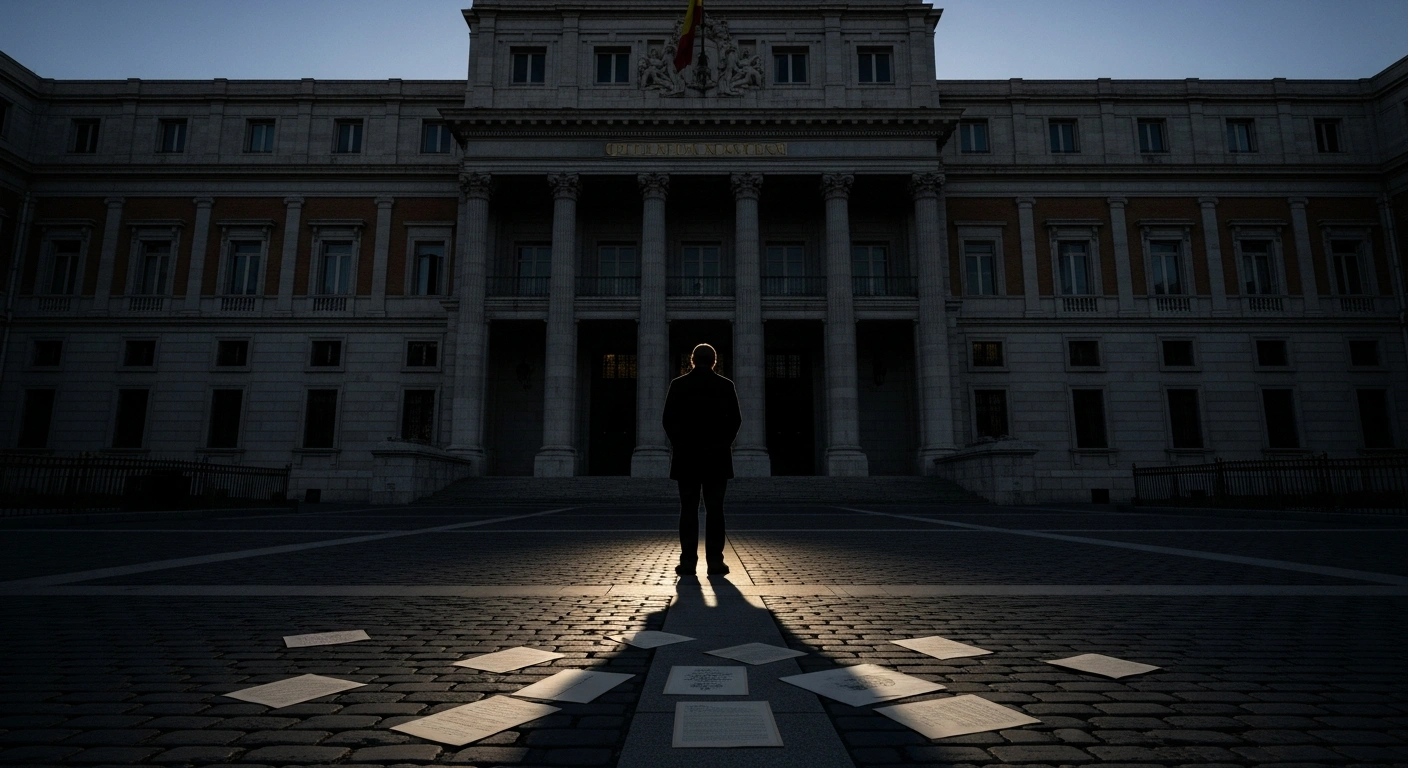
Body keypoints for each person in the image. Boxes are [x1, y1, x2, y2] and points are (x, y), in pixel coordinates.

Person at [662, 343, 742, 576]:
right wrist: (723, 443)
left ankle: (688, 562)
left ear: (693, 360)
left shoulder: (679, 385)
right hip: (716, 457)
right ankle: (715, 562)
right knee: (715, 510)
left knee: (688, 510)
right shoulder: (725, 386)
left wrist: (680, 444)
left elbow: (668, 420)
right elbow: (735, 420)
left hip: (687, 457)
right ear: (714, 361)